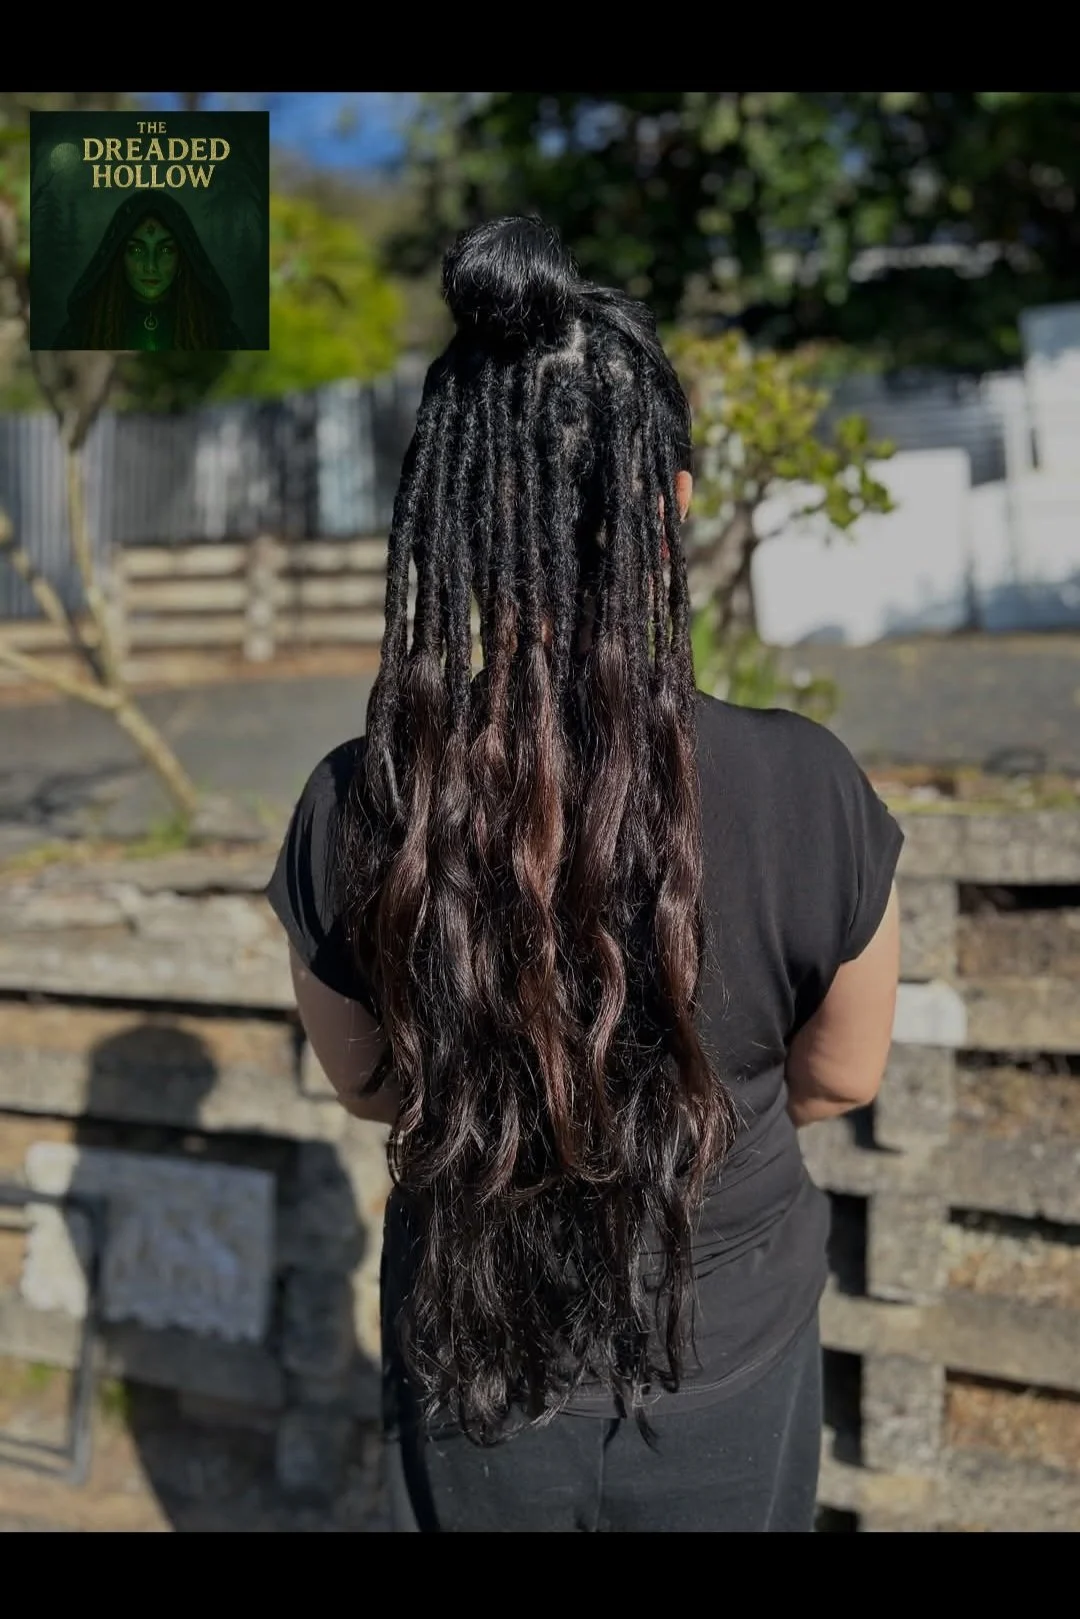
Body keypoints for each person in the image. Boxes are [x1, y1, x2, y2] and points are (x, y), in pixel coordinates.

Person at [265, 215, 903, 1533]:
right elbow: (843, 1073)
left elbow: (371, 1079)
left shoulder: (352, 801)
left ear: (459, 518)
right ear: (672, 501)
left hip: (470, 1360)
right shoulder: (806, 782)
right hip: (725, 1343)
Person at [52, 191, 247, 351]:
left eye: (165, 250)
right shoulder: (83, 333)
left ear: (182, 259)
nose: (151, 266)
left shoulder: (216, 333)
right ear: (119, 258)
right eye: (137, 250)